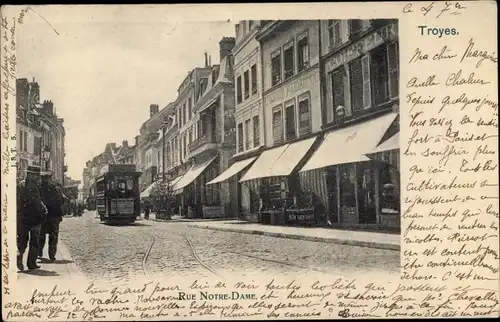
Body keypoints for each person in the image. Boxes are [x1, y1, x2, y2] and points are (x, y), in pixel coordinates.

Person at [17, 166, 47, 271]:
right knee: (35, 240)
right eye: (36, 175)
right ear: (32, 175)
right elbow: (37, 202)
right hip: (34, 217)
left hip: (21, 217)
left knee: (22, 239)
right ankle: (31, 263)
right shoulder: (34, 186)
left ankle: (19, 256)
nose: (38, 177)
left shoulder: (20, 184)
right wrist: (44, 209)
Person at [39, 172, 64, 261]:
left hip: (43, 216)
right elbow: (61, 200)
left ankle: (39, 252)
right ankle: (52, 255)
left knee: (41, 235)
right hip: (54, 216)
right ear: (50, 179)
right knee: (53, 236)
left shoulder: (39, 188)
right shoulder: (56, 188)